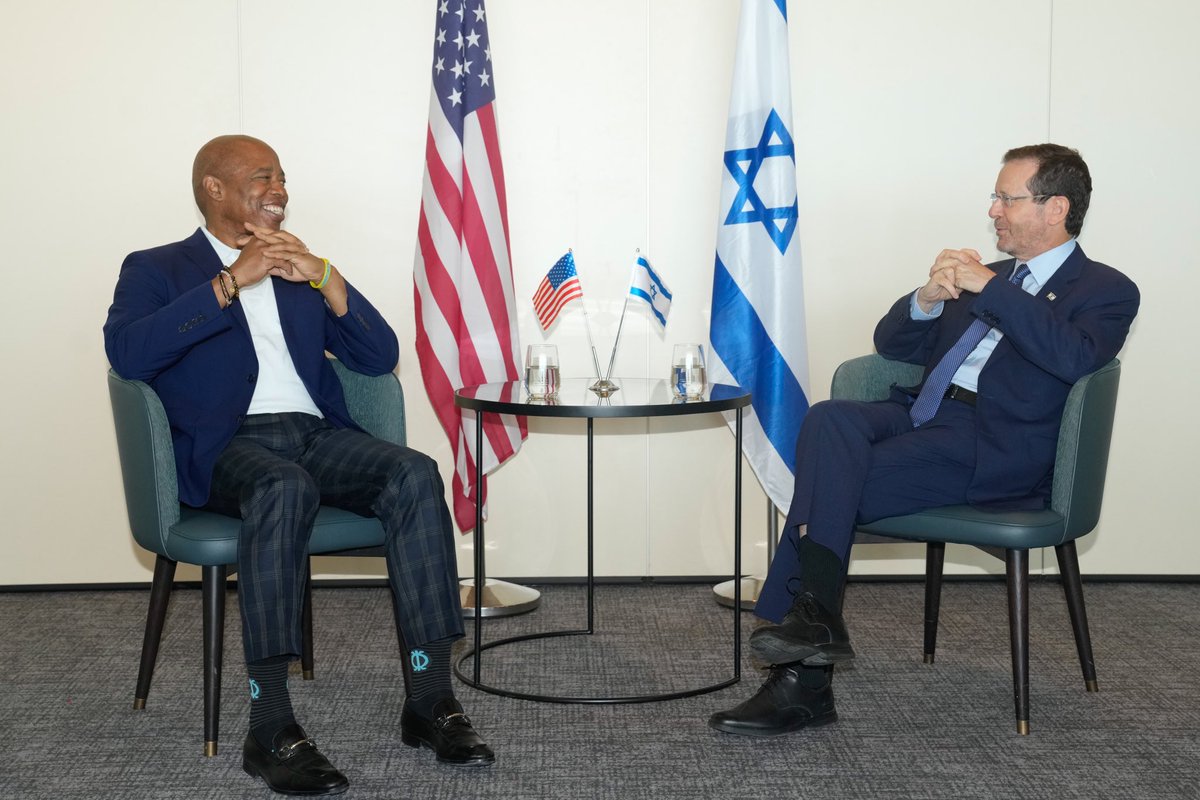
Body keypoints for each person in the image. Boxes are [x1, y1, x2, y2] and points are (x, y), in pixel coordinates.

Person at [105, 135, 493, 796]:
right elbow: (129, 354)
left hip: (313, 433)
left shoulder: (299, 267)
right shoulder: (158, 267)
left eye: (282, 177)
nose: (279, 189)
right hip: (225, 444)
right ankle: (272, 725)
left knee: (415, 473)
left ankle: (429, 701)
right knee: (282, 488)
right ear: (214, 189)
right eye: (262, 177)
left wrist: (324, 277)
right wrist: (230, 283)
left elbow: (377, 356)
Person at [709, 143, 1140, 737]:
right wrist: (927, 298)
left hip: (989, 443)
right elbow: (893, 345)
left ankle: (803, 680)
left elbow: (1073, 358)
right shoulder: (992, 280)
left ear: (1055, 208)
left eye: (1006, 198)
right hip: (921, 415)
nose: (992, 210)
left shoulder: (1104, 289)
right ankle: (817, 628)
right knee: (830, 419)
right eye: (994, 196)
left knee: (828, 486)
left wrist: (992, 289)